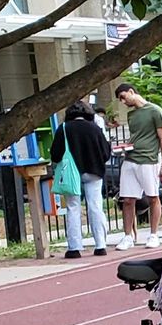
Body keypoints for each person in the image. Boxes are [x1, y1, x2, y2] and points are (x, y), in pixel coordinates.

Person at [113, 81, 162, 249]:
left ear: (131, 92)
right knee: (128, 199)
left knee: (153, 197)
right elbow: (136, 136)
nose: (123, 102)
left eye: (123, 97)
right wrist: (125, 146)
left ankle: (153, 234)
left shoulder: (155, 111)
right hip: (130, 158)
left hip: (148, 159)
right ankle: (128, 236)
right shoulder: (132, 115)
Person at [52, 100, 111, 258]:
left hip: (71, 173)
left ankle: (74, 247)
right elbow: (106, 153)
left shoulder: (63, 129)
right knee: (95, 206)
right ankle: (100, 245)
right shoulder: (95, 128)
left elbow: (55, 154)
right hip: (94, 171)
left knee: (73, 207)